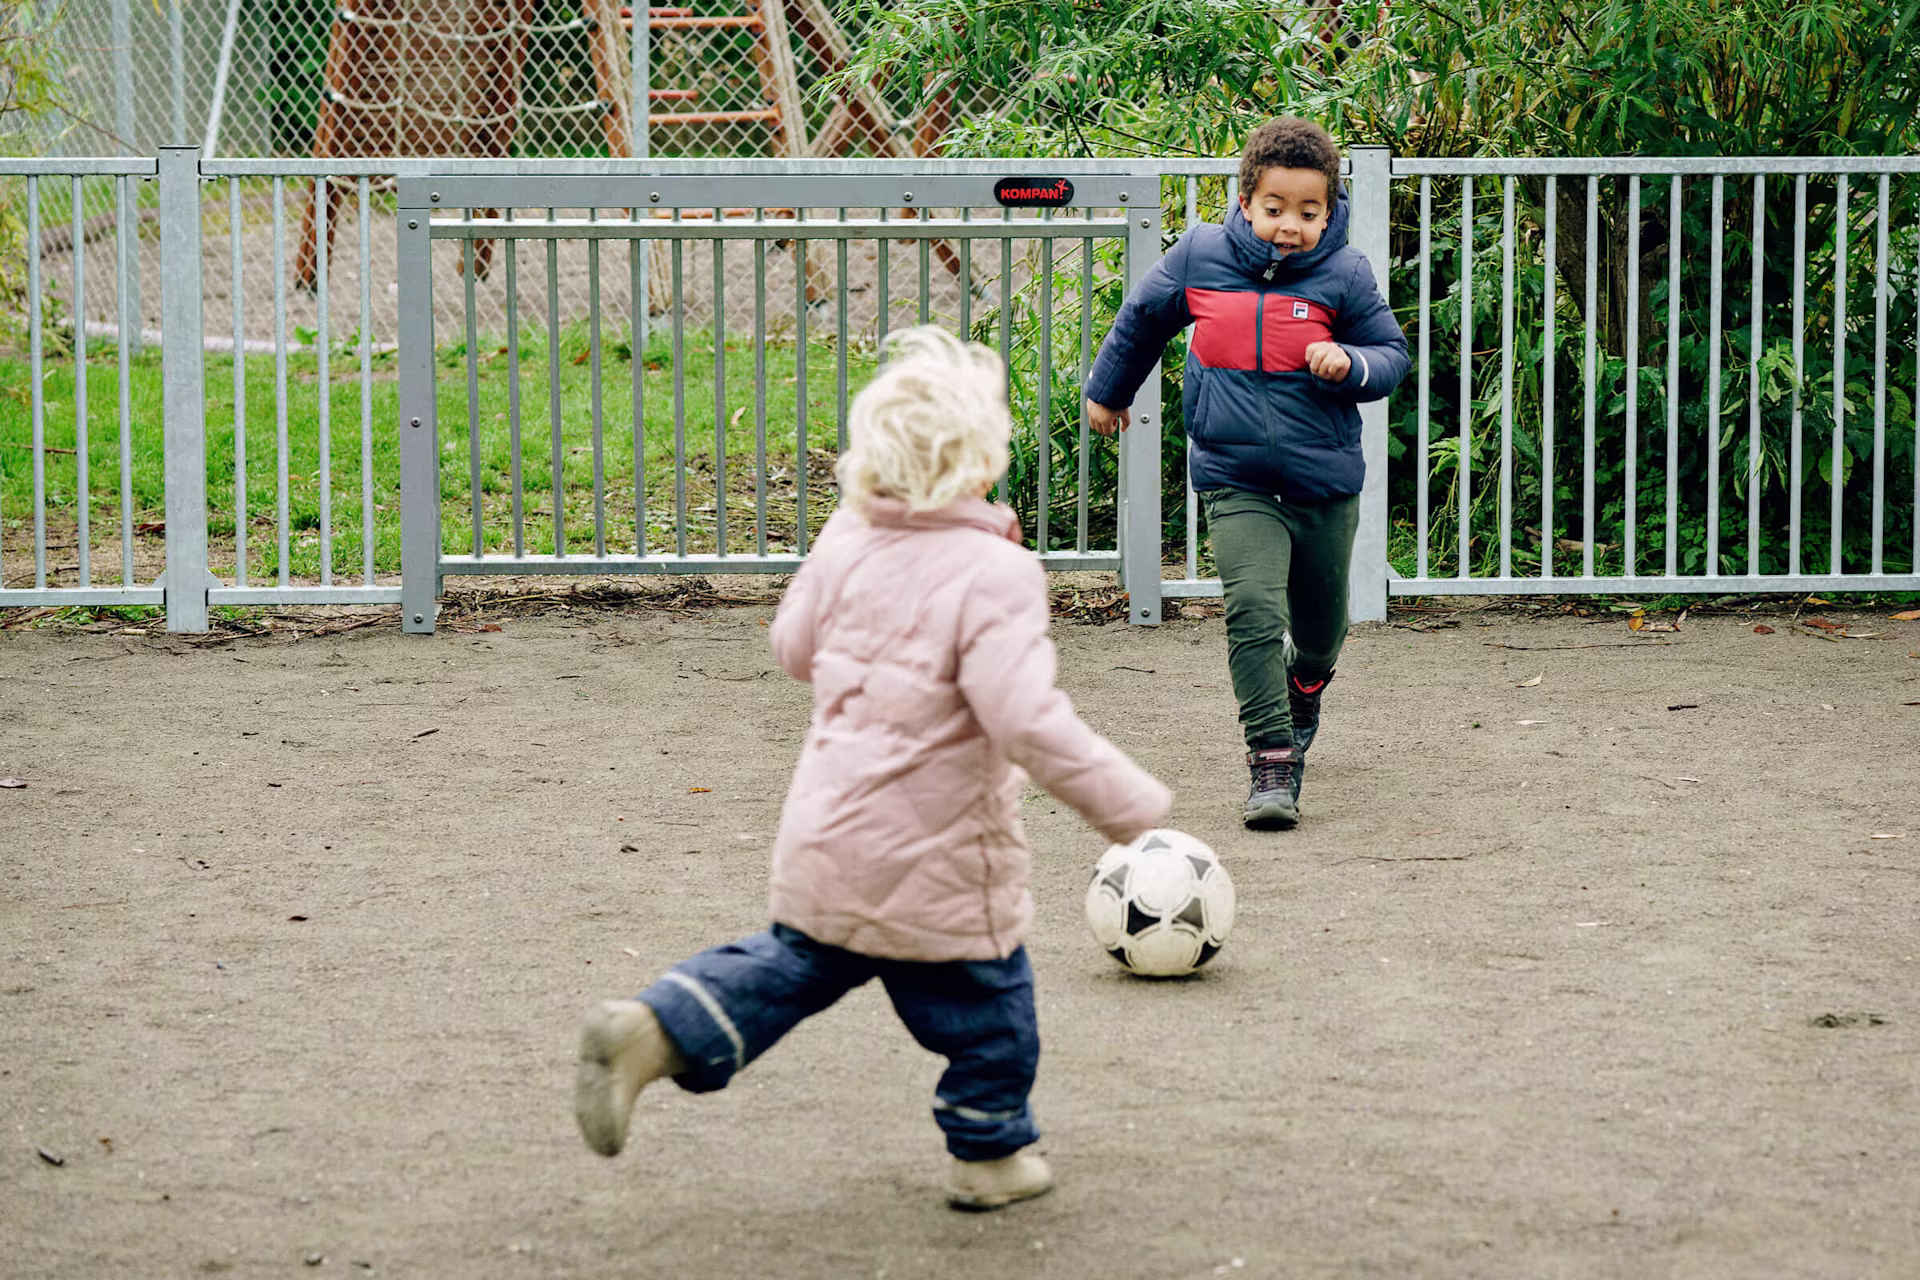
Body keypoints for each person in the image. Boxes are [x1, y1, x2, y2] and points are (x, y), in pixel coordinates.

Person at [574, 326, 1173, 1211]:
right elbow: (1025, 718)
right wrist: (1129, 805)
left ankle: (657, 1029)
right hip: (936, 858)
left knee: (788, 969)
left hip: (826, 838)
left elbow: (792, 648)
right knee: (991, 1008)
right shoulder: (994, 571)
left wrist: (845, 556)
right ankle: (990, 1153)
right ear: (982, 464)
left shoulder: (846, 541)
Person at [1084, 116, 1409, 830]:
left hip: (1323, 482)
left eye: (1308, 212)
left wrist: (1349, 364)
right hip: (1235, 479)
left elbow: (1391, 354)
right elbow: (1142, 319)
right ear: (1244, 200)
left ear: (1329, 211)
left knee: (1321, 632)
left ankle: (1306, 683)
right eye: (1274, 209)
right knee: (1252, 612)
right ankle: (1271, 760)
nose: (1289, 226)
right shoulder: (1200, 255)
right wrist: (1107, 392)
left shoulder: (1344, 274)